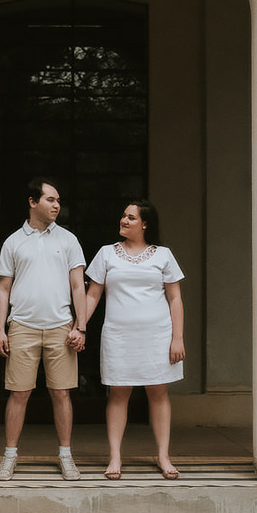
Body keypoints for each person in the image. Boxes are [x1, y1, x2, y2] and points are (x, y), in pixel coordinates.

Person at [82, 199, 185, 480]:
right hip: (118, 336)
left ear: (145, 224)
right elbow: (93, 295)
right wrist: (80, 326)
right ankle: (115, 457)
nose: (124, 221)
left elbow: (175, 297)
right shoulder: (106, 254)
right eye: (123, 216)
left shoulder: (163, 255)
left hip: (158, 335)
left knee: (159, 392)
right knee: (118, 393)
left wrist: (178, 338)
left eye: (130, 217)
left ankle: (163, 455)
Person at [0, 177, 88, 481]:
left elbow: (78, 285)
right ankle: (9, 457)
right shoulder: (13, 242)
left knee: (61, 393)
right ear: (33, 202)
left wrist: (81, 326)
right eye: (50, 199)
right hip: (22, 326)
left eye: (59, 200)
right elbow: (3, 288)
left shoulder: (68, 240)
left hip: (61, 327)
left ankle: (66, 456)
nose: (57, 205)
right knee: (18, 394)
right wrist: (1, 330)